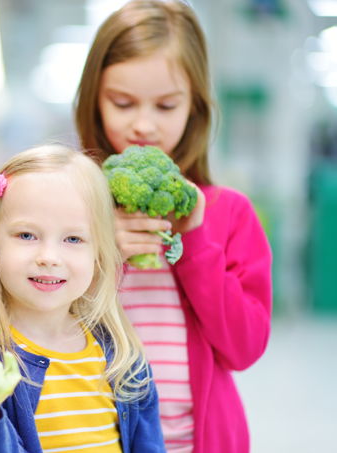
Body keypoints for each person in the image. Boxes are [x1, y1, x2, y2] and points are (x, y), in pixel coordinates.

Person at [73, 2, 273, 453]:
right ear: (93, 99)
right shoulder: (72, 205)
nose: (143, 124)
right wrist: (101, 255)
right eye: (122, 103)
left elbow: (244, 348)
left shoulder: (228, 213)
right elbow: (39, 321)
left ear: (195, 107)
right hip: (93, 438)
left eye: (166, 105)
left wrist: (197, 241)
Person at [0, 144, 165, 453]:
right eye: (27, 235)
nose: (49, 257)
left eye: (73, 239)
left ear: (99, 253)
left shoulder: (122, 356)